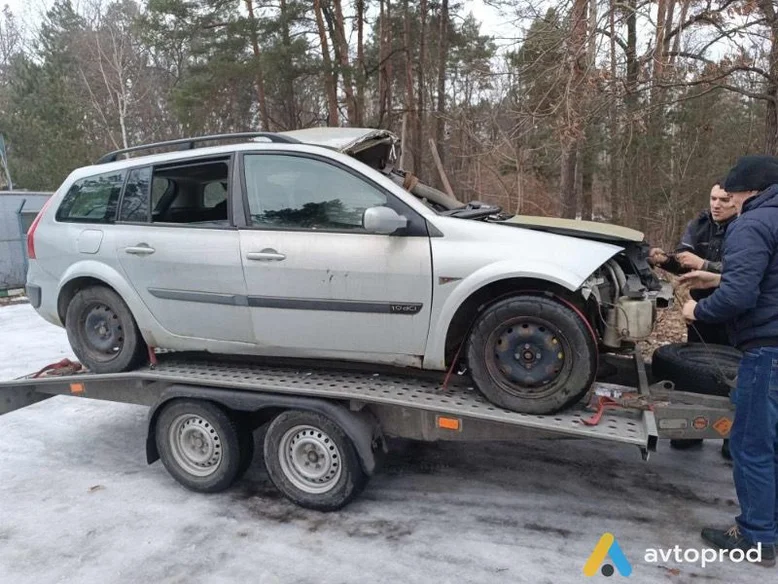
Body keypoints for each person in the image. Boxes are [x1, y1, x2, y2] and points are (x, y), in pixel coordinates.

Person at [680, 155, 778, 567]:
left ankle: (756, 536)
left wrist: (697, 312)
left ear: (749, 191)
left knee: (751, 445)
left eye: (732, 194)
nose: (729, 202)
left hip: (768, 352)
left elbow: (741, 297)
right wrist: (717, 277)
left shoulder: (751, 224)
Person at [650, 181, 738, 345]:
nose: (716, 205)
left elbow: (741, 271)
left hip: (733, 312)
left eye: (724, 200)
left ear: (736, 201)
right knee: (698, 359)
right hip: (699, 308)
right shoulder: (699, 225)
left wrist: (703, 264)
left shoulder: (745, 228)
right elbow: (683, 262)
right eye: (713, 199)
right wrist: (664, 260)